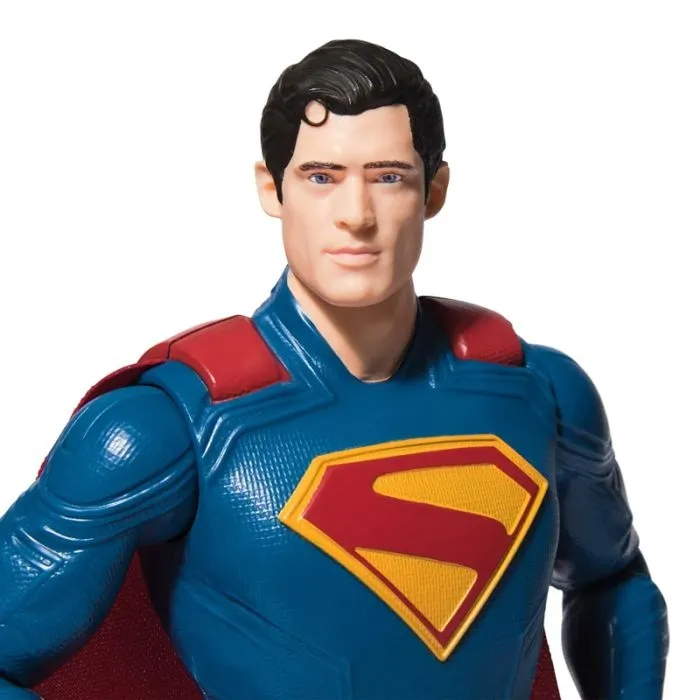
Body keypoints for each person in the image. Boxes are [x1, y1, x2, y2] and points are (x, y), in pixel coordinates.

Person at [0, 39, 668, 700]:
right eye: (322, 177)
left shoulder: (541, 393)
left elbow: (613, 581)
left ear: (434, 190)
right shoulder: (166, 429)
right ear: (272, 187)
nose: (356, 216)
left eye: (388, 176)